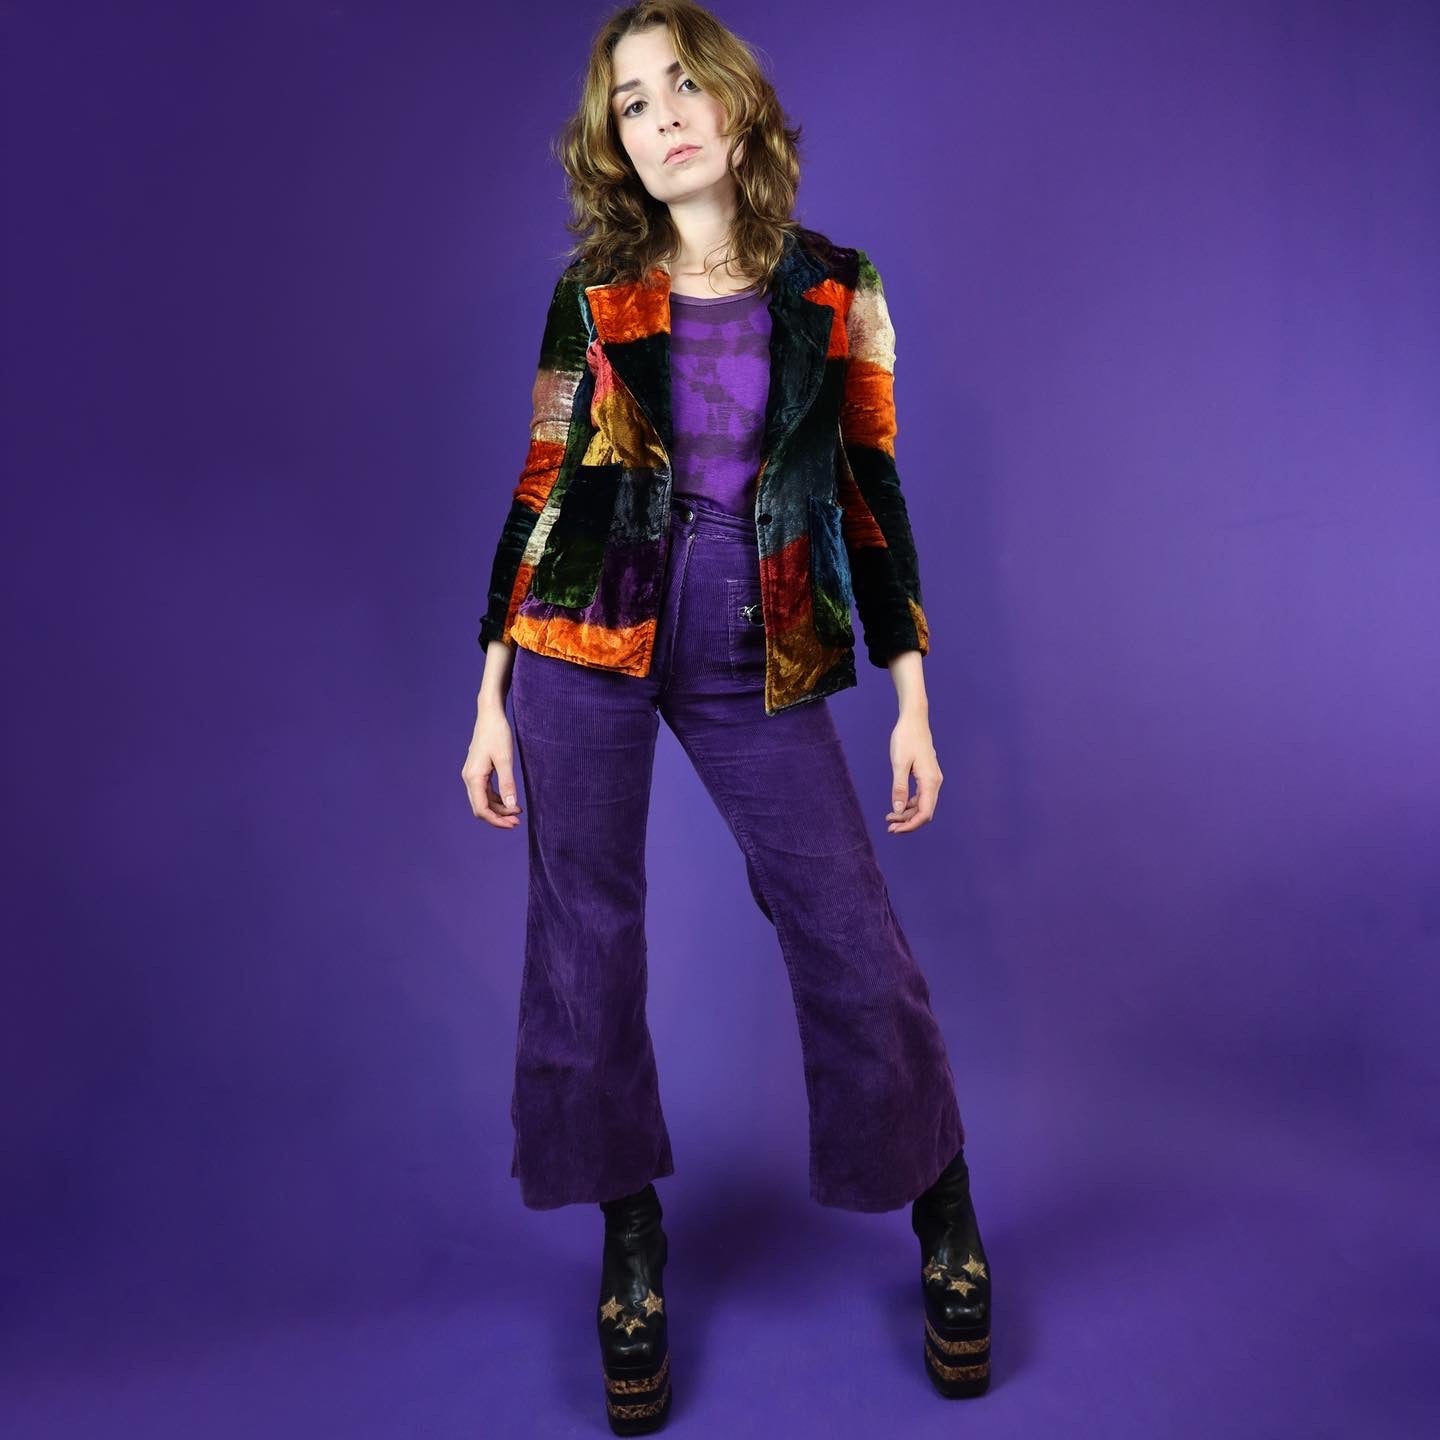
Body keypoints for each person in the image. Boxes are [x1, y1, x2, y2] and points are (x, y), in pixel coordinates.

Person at [459, 2, 990, 1428]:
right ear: (617, 146)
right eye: (632, 102)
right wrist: (489, 694)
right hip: (588, 624)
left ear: (739, 104)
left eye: (683, 83)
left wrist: (913, 703)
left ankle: (942, 1200)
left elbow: (871, 495)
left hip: (762, 633)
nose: (662, 115)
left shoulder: (836, 290)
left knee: (846, 927)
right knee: (586, 944)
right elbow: (541, 483)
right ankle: (630, 1235)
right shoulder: (594, 294)